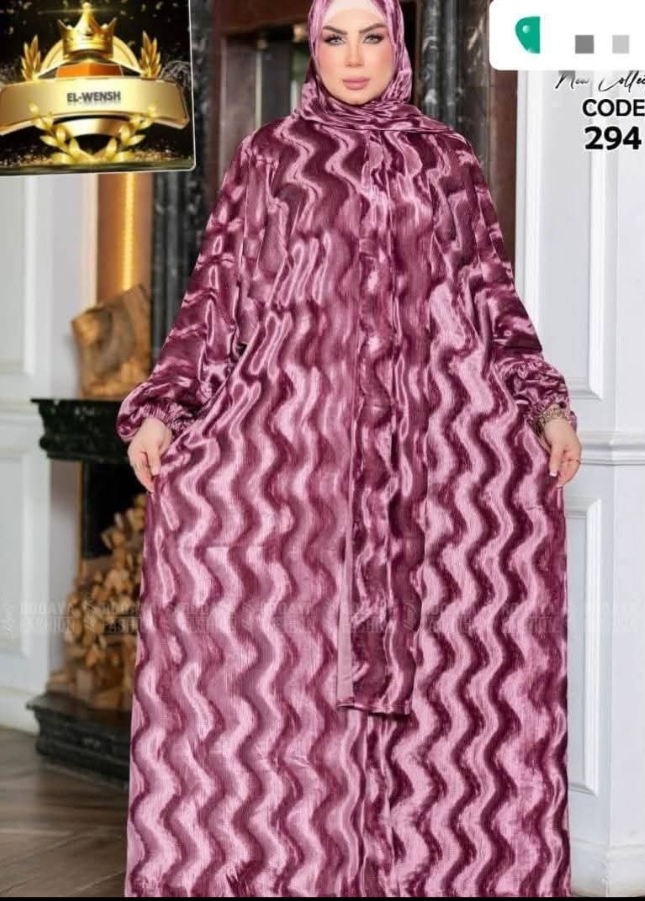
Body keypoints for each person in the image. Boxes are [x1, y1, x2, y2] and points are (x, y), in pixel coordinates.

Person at [116, 0, 582, 896]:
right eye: (335, 38)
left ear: (397, 43)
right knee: (284, 696)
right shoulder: (272, 157)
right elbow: (218, 296)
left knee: (448, 699)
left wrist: (544, 406)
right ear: (312, 45)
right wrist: (168, 406)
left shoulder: (445, 158)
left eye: (372, 37)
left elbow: (491, 297)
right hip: (293, 468)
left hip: (437, 463)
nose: (354, 57)